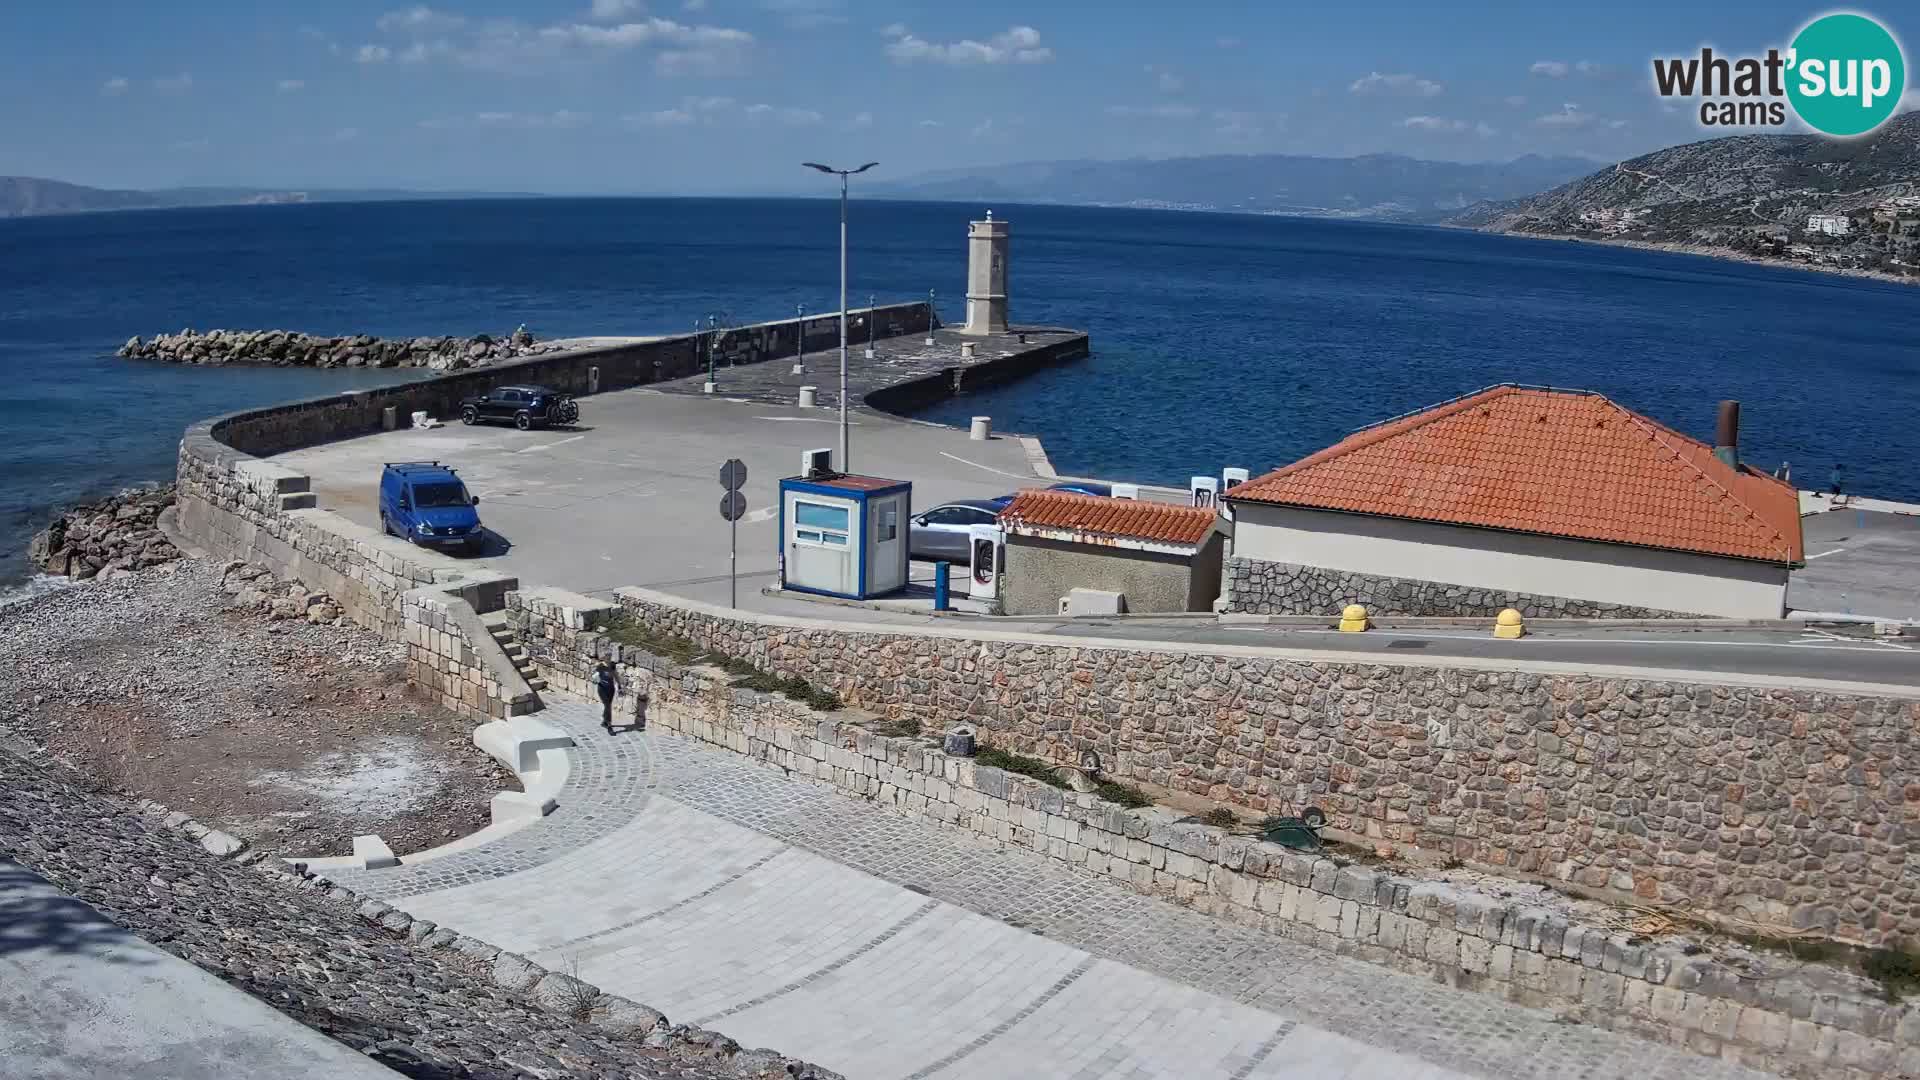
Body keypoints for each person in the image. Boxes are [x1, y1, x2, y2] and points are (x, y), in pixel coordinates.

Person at [592, 660, 618, 731]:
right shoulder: (600, 665)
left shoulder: (612, 665)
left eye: (609, 655)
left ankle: (604, 720)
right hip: (602, 689)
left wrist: (620, 685)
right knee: (608, 705)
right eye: (607, 655)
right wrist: (595, 679)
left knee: (608, 705)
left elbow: (615, 675)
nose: (608, 657)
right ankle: (609, 725)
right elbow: (594, 676)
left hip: (611, 689)